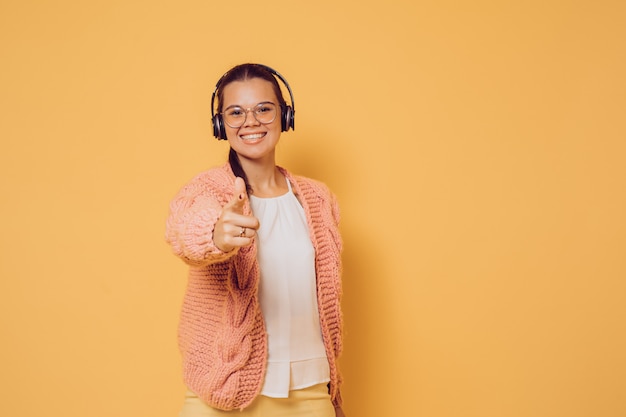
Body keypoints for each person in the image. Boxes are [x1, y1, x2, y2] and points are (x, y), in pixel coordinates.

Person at [165, 63, 346, 417]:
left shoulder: (318, 198)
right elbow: (183, 231)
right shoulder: (209, 191)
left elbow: (325, 309)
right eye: (235, 112)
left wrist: (333, 398)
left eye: (264, 108)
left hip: (310, 393)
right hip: (222, 396)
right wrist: (216, 234)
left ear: (285, 115)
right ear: (221, 125)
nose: (251, 121)